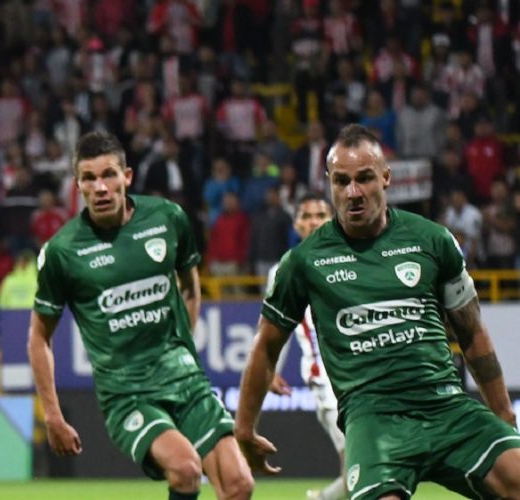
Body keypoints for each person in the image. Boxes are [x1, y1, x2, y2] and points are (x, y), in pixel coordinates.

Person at [237, 125, 520, 499]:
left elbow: (471, 332)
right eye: (341, 182)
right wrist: (244, 429)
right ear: (329, 184)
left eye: (364, 179)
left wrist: (502, 413)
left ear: (386, 177)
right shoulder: (303, 262)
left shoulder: (432, 240)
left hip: (445, 406)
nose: (353, 193)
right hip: (373, 420)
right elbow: (266, 347)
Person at [28, 131, 254, 500]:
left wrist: (181, 348)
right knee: (185, 469)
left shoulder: (168, 218)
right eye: (89, 178)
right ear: (78, 185)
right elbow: (39, 337)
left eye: (108, 175)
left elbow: (190, 288)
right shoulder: (63, 252)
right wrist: (52, 415)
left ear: (127, 177)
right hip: (128, 393)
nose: (100, 187)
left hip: (185, 381)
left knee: (239, 485)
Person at [264, 194, 346, 500]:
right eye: (307, 215)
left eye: (320, 214)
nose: (313, 221)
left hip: (362, 373)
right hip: (324, 377)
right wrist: (271, 368)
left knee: (365, 466)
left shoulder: (350, 257)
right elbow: (274, 327)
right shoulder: (285, 269)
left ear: (332, 219)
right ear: (297, 224)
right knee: (360, 462)